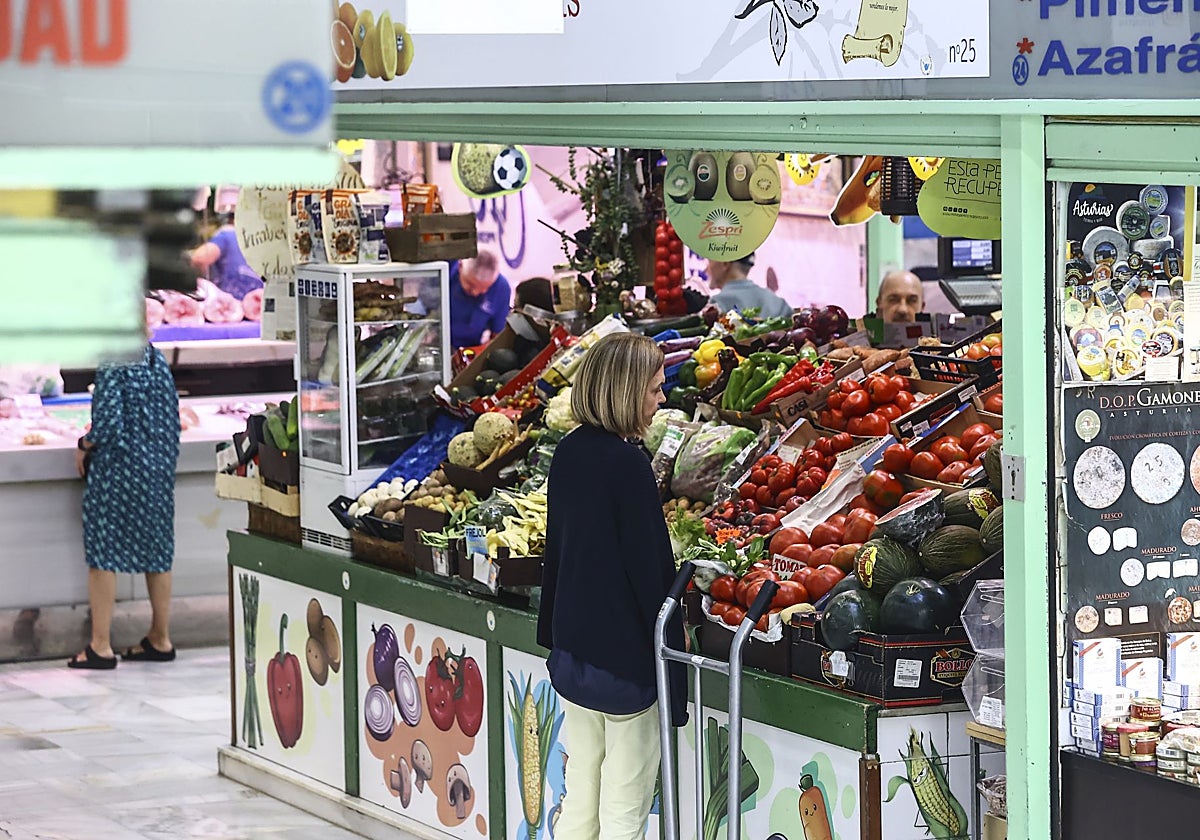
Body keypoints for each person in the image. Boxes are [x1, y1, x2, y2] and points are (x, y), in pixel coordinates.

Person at [537, 333, 687, 839]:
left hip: (575, 651)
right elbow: (651, 574)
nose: (660, 399)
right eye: (654, 388)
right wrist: (676, 671)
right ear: (626, 391)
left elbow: (557, 551)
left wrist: (553, 637)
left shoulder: (569, 452)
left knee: (580, 789)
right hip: (626, 662)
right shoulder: (628, 465)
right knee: (626, 800)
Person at [70, 342, 181, 669]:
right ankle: (160, 638)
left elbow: (107, 424)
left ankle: (100, 646)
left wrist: (83, 444)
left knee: (103, 551)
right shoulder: (155, 358)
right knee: (158, 552)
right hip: (158, 468)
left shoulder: (113, 359)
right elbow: (172, 416)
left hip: (119, 469)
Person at [188, 216, 264, 301]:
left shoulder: (228, 236)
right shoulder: (269, 244)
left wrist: (206, 287)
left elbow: (200, 258)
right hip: (258, 308)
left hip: (224, 306)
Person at [449, 250, 512, 348]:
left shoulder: (501, 287)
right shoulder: (446, 270)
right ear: (460, 266)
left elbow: (497, 335)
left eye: (484, 289)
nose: (475, 293)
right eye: (470, 285)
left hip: (472, 349)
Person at [706, 252, 792, 318]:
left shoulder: (717, 305)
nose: (706, 269)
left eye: (709, 261)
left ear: (725, 263)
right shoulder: (779, 304)